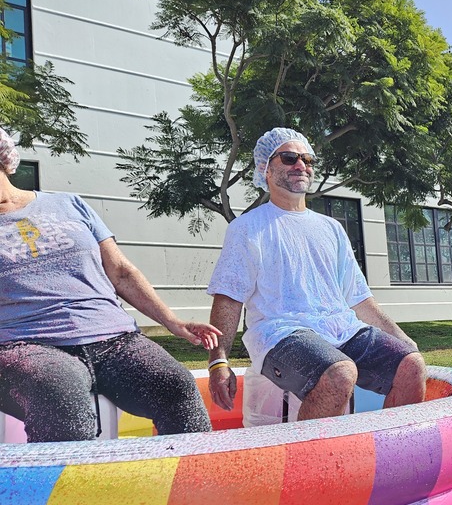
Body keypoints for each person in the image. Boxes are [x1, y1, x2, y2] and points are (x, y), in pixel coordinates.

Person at [0, 127, 220, 443]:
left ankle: (195, 486)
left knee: (175, 384)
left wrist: (172, 321)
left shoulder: (68, 203)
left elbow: (120, 272)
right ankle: (66, 494)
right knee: (61, 394)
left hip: (113, 338)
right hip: (23, 343)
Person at [206, 127, 426, 419]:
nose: (301, 165)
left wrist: (404, 340)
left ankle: (392, 460)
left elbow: (360, 300)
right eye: (289, 158)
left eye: (307, 160)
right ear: (265, 169)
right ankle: (306, 464)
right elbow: (228, 298)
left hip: (341, 329)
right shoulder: (247, 228)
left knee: (411, 365)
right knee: (339, 373)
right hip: (281, 331)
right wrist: (218, 362)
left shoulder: (331, 229)